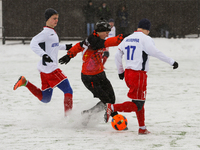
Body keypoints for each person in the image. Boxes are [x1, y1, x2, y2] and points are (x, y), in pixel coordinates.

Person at [105, 18, 178, 134]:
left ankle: (142, 128)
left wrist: (120, 71)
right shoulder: (145, 39)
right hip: (138, 74)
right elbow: (156, 52)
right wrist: (171, 61)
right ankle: (112, 108)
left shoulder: (127, 39)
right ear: (147, 29)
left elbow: (117, 55)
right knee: (137, 104)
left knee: (139, 101)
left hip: (128, 73)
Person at [59, 18, 125, 124]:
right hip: (89, 78)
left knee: (111, 99)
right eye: (106, 33)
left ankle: (88, 113)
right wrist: (124, 37)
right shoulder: (93, 40)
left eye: (109, 33)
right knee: (106, 100)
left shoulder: (93, 39)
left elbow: (78, 46)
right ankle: (116, 118)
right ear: (100, 32)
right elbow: (111, 42)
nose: (107, 35)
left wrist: (69, 55)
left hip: (100, 75)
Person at [13, 8, 73, 116]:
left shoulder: (51, 32)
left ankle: (25, 82)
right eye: (54, 18)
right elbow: (33, 43)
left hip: (45, 69)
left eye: (57, 18)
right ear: (47, 19)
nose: (56, 21)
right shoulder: (45, 33)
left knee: (45, 98)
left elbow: (53, 46)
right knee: (68, 90)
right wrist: (43, 55)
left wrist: (65, 47)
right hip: (51, 69)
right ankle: (69, 118)